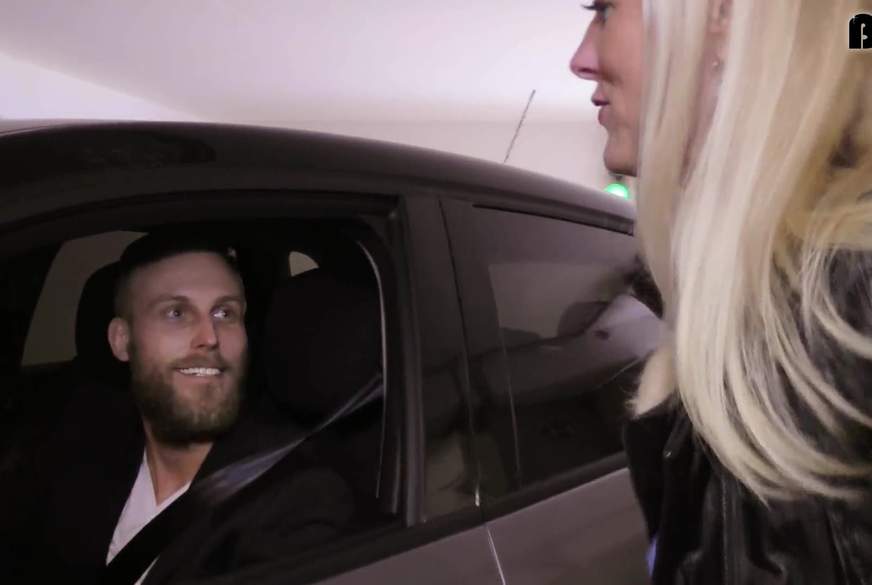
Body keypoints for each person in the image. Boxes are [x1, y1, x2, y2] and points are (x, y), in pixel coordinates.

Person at [571, 0, 872, 582]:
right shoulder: (761, 299)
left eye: (605, 9)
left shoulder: (844, 301)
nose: (581, 58)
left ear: (725, 18)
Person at [2, 233, 356, 585]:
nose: (210, 337)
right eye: (176, 313)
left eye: (225, 313)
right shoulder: (79, 442)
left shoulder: (298, 498)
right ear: (121, 340)